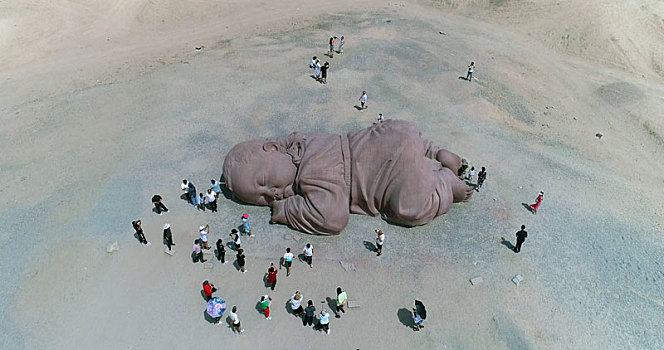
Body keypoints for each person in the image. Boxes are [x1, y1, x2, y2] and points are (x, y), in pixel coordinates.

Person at [222, 120, 473, 235]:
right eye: (264, 198)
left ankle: (446, 183)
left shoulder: (311, 174)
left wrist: (284, 210)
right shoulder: (309, 141)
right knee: (409, 147)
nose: (273, 194)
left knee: (409, 209)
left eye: (264, 182)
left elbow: (332, 218)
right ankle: (434, 153)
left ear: (273, 148)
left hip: (388, 175)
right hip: (392, 134)